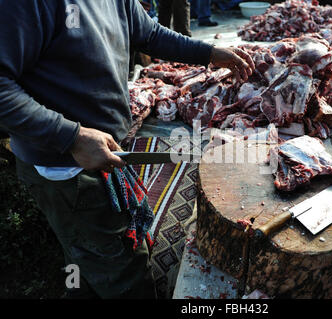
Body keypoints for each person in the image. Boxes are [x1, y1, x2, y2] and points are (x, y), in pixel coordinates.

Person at [0, 0, 254, 299]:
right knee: (123, 272)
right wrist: (72, 137)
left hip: (104, 155)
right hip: (67, 170)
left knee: (87, 259)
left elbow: (150, 35)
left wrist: (209, 54)